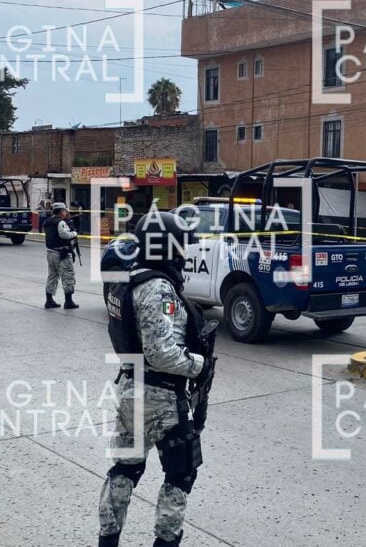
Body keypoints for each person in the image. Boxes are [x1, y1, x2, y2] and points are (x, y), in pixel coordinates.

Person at [99, 211, 217, 547]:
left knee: (125, 469)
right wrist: (201, 366)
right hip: (160, 397)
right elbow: (162, 353)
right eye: (180, 247)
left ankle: (107, 541)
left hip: (130, 388)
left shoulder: (129, 277)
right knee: (180, 474)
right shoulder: (157, 288)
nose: (184, 254)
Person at [42, 202, 79, 309]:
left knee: (52, 276)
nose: (65, 213)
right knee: (68, 276)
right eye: (64, 211)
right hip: (61, 253)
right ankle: (69, 301)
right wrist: (74, 234)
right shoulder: (61, 222)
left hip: (50, 253)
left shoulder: (48, 221)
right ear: (61, 211)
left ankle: (49, 300)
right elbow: (64, 234)